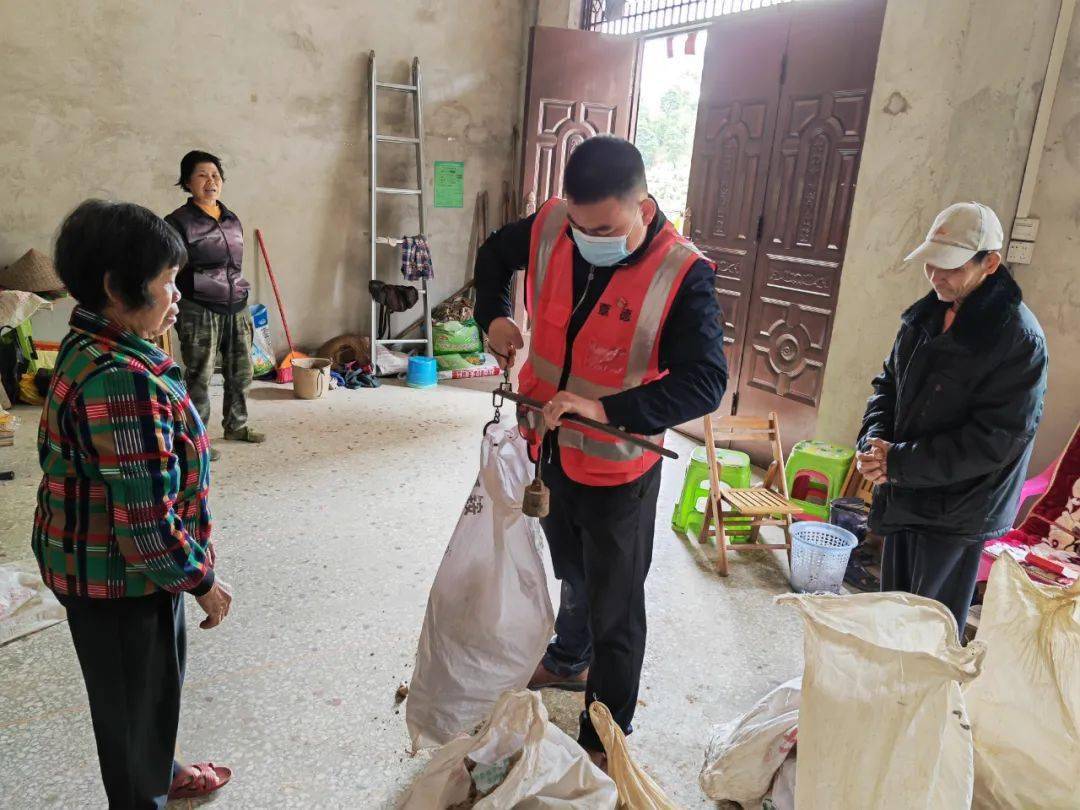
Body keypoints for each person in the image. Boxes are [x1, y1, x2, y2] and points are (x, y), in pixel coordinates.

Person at [475, 135, 727, 765]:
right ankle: (567, 657)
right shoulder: (559, 224)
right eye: (580, 225)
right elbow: (493, 253)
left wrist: (606, 409)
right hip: (550, 447)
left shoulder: (682, 273)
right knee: (571, 567)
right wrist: (493, 315)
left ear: (644, 203)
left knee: (617, 604)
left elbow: (706, 380)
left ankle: (605, 737)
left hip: (620, 468)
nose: (589, 238)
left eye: (606, 227)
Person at [32, 200, 234, 808]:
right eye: (167, 281)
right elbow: (146, 526)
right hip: (121, 579)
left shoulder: (94, 343)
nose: (177, 294)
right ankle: (141, 790)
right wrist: (203, 582)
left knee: (138, 696)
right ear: (116, 288)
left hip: (105, 566)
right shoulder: (124, 382)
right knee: (131, 703)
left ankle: (156, 767)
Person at [857, 201, 1048, 637]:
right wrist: (874, 443)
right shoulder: (923, 317)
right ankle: (888, 700)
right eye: (930, 263)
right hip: (905, 487)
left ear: (990, 263)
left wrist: (898, 462)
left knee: (931, 628)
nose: (936, 276)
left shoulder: (1018, 339)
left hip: (960, 508)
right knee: (891, 616)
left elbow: (995, 440)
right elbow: (888, 385)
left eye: (950, 266)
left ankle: (924, 704)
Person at [165, 150, 263, 461]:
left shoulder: (231, 218)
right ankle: (197, 439)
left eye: (216, 175)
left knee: (241, 371)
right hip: (199, 307)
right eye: (202, 175)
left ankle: (237, 425)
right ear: (187, 181)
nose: (211, 181)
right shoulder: (177, 222)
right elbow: (170, 269)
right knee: (200, 376)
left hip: (237, 304)